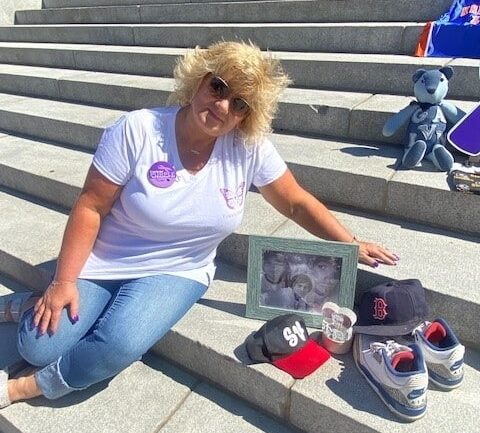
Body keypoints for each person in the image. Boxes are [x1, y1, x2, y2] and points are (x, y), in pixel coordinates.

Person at [0, 40, 398, 408]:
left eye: (240, 103)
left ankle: (28, 386)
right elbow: (90, 206)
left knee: (119, 342)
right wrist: (64, 282)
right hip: (107, 256)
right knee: (37, 346)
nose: (223, 106)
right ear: (198, 80)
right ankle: (26, 305)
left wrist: (351, 243)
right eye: (219, 87)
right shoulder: (137, 130)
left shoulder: (247, 148)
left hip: (179, 268)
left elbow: (295, 202)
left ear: (247, 116)